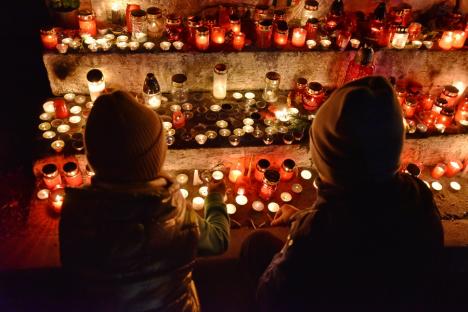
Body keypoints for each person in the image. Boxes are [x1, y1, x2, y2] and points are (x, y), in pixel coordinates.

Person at [242, 76, 444, 311]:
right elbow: (366, 212)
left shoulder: (319, 234)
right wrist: (303, 217)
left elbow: (272, 294)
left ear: (328, 158)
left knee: (255, 246)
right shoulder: (417, 194)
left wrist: (305, 227)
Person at [59, 90, 230, 312]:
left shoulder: (76, 211)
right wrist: (216, 199)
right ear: (156, 155)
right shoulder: (170, 208)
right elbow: (218, 241)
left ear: (92, 159)